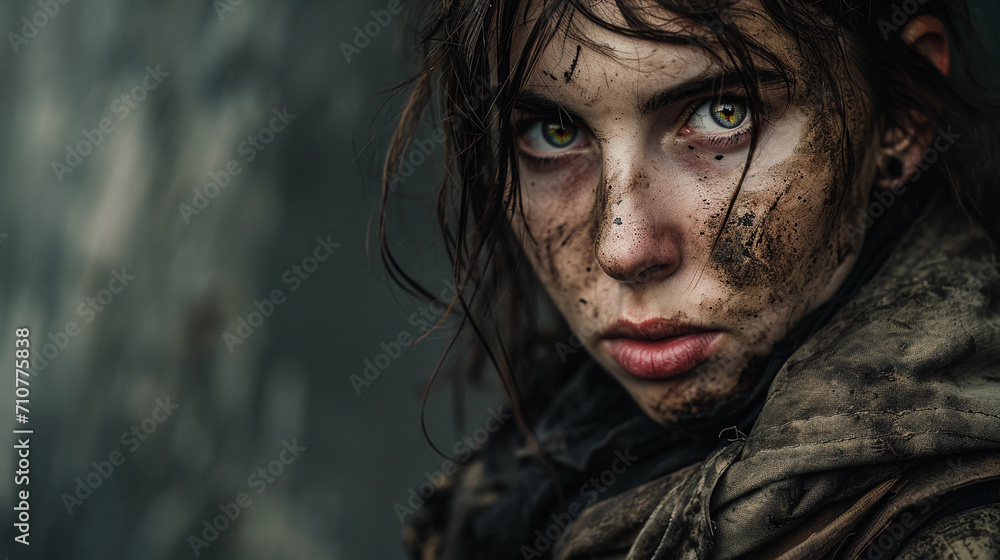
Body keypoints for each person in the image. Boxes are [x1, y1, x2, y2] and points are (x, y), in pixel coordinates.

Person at [381, 1, 1000, 558]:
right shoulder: (546, 466)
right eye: (555, 132)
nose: (622, 249)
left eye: (721, 113)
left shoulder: (958, 531)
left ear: (902, 118)